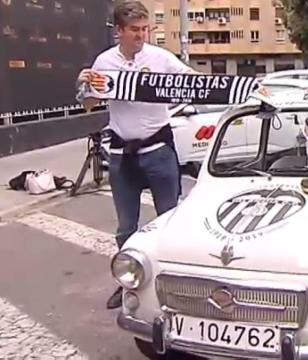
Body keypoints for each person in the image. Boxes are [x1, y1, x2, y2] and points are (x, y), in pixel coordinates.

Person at [75, 0, 197, 309]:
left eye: (145, 29)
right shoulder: (103, 62)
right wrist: (86, 87)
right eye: (134, 30)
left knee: (169, 219)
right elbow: (88, 105)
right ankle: (128, 283)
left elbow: (193, 81)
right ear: (119, 31)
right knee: (126, 227)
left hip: (158, 150)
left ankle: (173, 282)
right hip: (122, 153)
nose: (141, 35)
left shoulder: (161, 57)